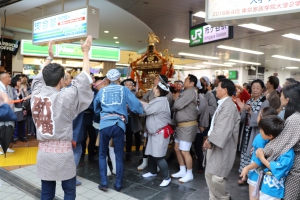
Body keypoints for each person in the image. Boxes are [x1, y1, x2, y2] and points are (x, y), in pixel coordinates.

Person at [31, 36, 94, 199]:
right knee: (69, 190)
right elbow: (84, 79)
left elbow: (38, 79)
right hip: (64, 152)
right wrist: (85, 53)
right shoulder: (66, 97)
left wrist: (49, 58)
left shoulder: (35, 95)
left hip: (44, 151)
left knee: (46, 191)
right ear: (61, 80)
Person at [94, 69, 143, 192]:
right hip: (118, 125)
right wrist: (140, 112)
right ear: (119, 79)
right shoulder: (124, 90)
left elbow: (95, 107)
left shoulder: (102, 91)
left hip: (104, 124)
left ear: (108, 79)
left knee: (102, 154)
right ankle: (118, 184)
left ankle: (104, 183)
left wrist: (101, 113)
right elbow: (136, 105)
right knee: (118, 155)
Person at [203, 78, 240, 200]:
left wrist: (210, 141)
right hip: (215, 143)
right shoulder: (224, 104)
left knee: (217, 177)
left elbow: (222, 128)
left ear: (224, 90)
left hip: (222, 146)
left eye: (218, 87)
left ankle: (224, 197)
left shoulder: (228, 106)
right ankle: (214, 198)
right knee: (210, 174)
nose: (215, 90)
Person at [262, 83, 300, 199]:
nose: (280, 97)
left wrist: (262, 152)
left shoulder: (295, 119)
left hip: (296, 169)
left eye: (282, 94)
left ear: (288, 100)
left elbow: (281, 143)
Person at [239, 107, 278, 200]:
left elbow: (259, 161)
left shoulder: (260, 137)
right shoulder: (273, 136)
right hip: (266, 176)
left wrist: (247, 168)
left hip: (256, 174)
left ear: (262, 118)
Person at [237, 79, 269, 185]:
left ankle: (251, 175)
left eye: (257, 88)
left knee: (252, 151)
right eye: (253, 88)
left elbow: (264, 118)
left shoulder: (265, 102)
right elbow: (243, 117)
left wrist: (251, 112)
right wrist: (243, 110)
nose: (255, 90)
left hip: (256, 131)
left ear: (262, 89)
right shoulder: (249, 101)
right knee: (244, 151)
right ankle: (244, 173)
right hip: (246, 130)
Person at [141, 80, 172, 187]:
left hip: (160, 133)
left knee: (158, 156)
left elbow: (146, 110)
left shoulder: (161, 101)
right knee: (152, 153)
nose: (153, 88)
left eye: (155, 87)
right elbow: (148, 105)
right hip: (154, 133)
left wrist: (136, 101)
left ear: (158, 90)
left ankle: (167, 177)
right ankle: (153, 172)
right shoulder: (159, 100)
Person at [256, 116, 293, 200]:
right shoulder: (272, 143)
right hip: (266, 185)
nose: (260, 131)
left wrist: (262, 158)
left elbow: (279, 168)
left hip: (273, 189)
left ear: (270, 135)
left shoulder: (287, 152)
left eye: (261, 130)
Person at [171, 74, 198, 183]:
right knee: (177, 148)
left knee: (185, 151)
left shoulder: (190, 92)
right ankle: (182, 170)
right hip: (180, 126)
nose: (184, 81)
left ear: (192, 83)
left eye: (186, 80)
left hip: (187, 126)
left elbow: (177, 105)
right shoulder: (186, 92)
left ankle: (189, 173)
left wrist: (175, 99)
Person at [121, 78, 142, 161]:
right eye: (126, 85)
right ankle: (128, 153)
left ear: (133, 86)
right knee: (128, 135)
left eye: (130, 85)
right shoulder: (122, 94)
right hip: (126, 117)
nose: (128, 87)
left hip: (135, 117)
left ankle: (137, 149)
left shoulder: (136, 94)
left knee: (137, 134)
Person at [0, 71, 15, 155]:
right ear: (3, 79)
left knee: (7, 129)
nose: (10, 79)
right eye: (8, 77)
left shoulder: (9, 87)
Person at [11, 77, 26, 142]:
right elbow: (12, 98)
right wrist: (19, 93)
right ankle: (13, 137)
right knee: (14, 124)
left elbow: (24, 99)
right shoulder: (12, 90)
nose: (20, 82)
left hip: (21, 109)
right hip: (14, 109)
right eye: (18, 81)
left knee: (21, 124)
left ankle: (21, 137)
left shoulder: (21, 89)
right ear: (14, 82)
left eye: (20, 81)